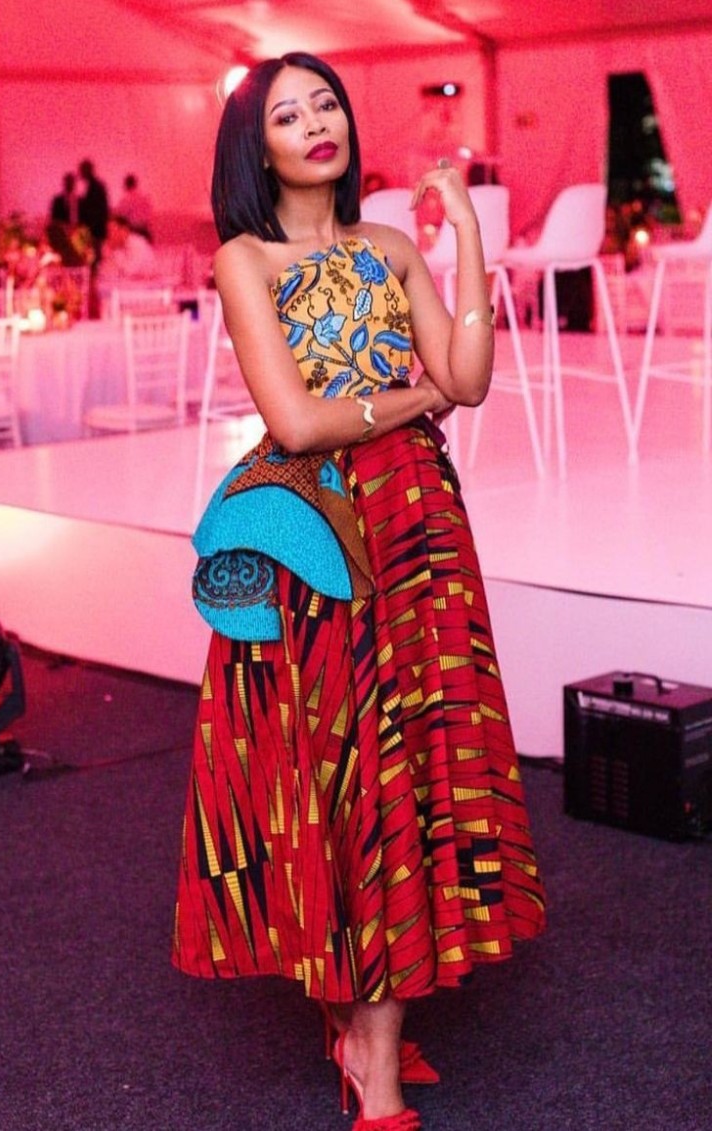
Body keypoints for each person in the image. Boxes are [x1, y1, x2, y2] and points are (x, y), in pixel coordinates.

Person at [172, 52, 545, 1131]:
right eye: (288, 115)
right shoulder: (247, 259)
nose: (315, 124)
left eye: (325, 103)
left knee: (415, 767)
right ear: (258, 147)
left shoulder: (389, 247)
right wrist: (410, 400)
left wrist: (463, 237)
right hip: (325, 536)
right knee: (346, 777)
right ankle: (364, 1049)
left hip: (420, 525)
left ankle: (367, 1050)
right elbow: (296, 422)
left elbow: (468, 379)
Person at [98, 214, 158, 281]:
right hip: (129, 283)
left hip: (147, 284)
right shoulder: (115, 246)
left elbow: (130, 271)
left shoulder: (138, 243)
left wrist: (114, 253)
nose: (110, 235)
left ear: (124, 230)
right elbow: (104, 271)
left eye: (113, 230)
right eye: (108, 231)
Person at [77, 158, 109, 260]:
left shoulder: (93, 187)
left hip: (94, 228)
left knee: (92, 256)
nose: (80, 173)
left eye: (81, 171)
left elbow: (96, 209)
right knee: (93, 256)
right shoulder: (95, 186)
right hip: (95, 228)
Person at [115, 173, 153, 242]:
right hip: (145, 231)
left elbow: (121, 216)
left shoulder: (126, 199)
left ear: (126, 185)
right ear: (135, 184)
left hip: (133, 232)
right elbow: (149, 215)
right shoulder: (145, 198)